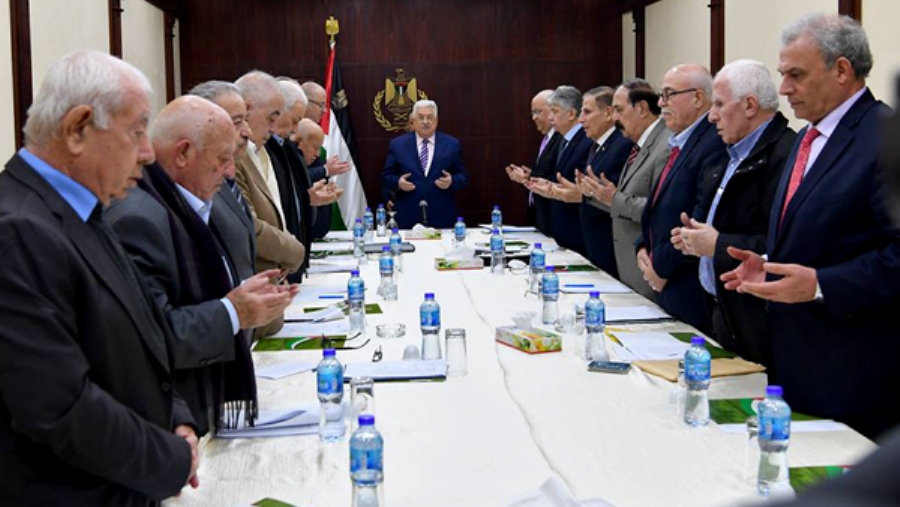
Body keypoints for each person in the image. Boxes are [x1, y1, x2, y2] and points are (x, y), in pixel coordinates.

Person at [0, 50, 198, 504]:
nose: (148, 153)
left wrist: (176, 418)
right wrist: (171, 459)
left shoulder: (82, 209)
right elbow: (58, 405)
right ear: (77, 129)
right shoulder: (18, 229)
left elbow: (142, 333)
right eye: (137, 131)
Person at [722, 14, 900, 439]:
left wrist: (822, 285)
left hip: (855, 374)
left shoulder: (885, 137)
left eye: (796, 75)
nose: (783, 89)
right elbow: (824, 234)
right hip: (793, 362)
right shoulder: (807, 138)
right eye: (782, 75)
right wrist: (769, 264)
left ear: (841, 70)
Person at [106, 96, 297, 435]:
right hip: (169, 423)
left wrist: (243, 297)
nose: (229, 172)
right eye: (223, 159)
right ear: (182, 153)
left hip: (199, 408)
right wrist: (234, 312)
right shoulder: (138, 220)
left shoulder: (181, 205)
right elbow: (151, 338)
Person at [671, 60, 796, 365]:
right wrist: (693, 240)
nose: (711, 115)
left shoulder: (785, 156)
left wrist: (717, 244)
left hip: (759, 321)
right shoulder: (728, 153)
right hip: (721, 312)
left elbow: (785, 246)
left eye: (719, 104)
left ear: (750, 105)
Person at [637, 64, 728, 333]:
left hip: (688, 286)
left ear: (698, 98)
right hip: (667, 281)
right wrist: (642, 247)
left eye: (668, 95)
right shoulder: (681, 141)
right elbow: (659, 207)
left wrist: (660, 266)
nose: (661, 104)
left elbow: (699, 217)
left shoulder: (713, 143)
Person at [581, 79, 671, 299]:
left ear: (642, 108)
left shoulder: (666, 145)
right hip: (629, 267)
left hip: (649, 267)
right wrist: (603, 195)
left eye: (619, 110)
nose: (614, 118)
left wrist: (613, 198)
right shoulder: (639, 144)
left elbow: (660, 209)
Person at [233, 71, 306, 279]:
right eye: (271, 118)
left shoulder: (264, 151)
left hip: (272, 279)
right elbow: (249, 226)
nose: (274, 128)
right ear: (247, 109)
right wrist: (293, 251)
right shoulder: (235, 160)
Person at [381, 99, 469, 229]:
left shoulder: (452, 145)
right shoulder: (398, 145)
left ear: (436, 121)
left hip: (442, 216)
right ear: (413, 121)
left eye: (430, 117)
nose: (425, 122)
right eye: (421, 117)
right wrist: (398, 182)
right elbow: (386, 176)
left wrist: (452, 181)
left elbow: (463, 177)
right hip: (408, 215)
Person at [505, 89, 562, 235]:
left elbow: (558, 178)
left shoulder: (561, 139)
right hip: (539, 217)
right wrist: (528, 177)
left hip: (554, 220)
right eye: (532, 113)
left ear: (553, 110)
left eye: (538, 112)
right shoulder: (547, 139)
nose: (534, 118)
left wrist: (530, 178)